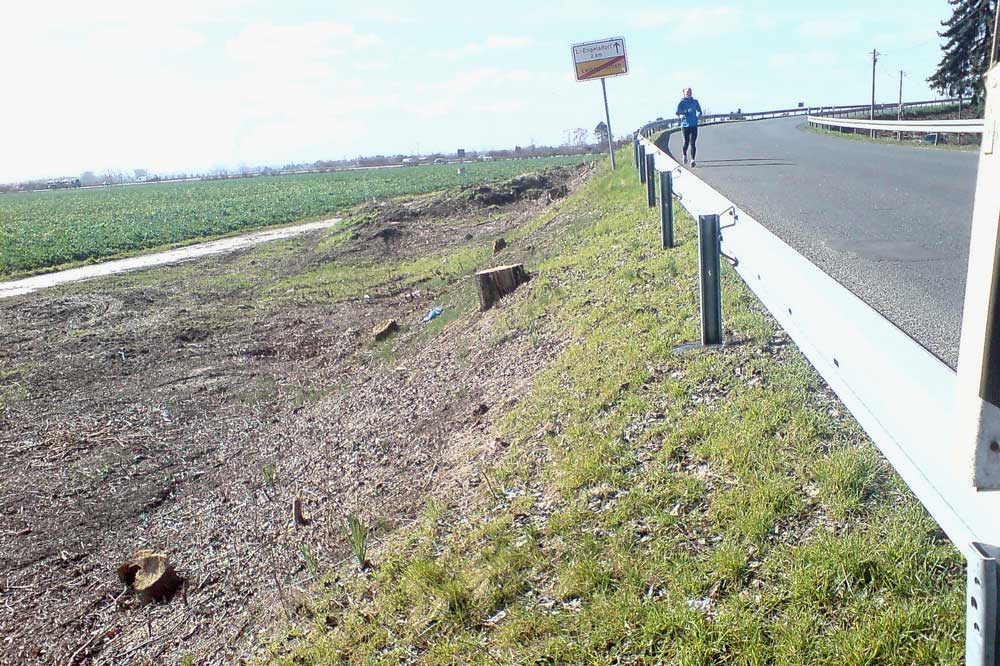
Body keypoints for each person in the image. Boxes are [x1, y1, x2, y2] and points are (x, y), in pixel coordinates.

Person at [676, 87, 703, 166]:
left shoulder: (695, 102)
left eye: (690, 91)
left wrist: (698, 115)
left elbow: (699, 111)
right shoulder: (682, 102)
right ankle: (684, 155)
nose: (689, 93)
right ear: (684, 93)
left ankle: (693, 160)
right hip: (685, 125)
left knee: (693, 143)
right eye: (687, 92)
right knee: (686, 142)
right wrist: (686, 111)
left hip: (694, 124)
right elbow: (677, 112)